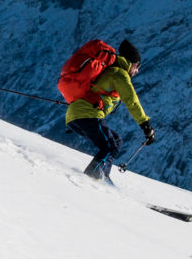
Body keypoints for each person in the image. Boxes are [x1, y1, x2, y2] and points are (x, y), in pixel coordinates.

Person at [65, 39, 155, 182]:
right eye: (137, 66)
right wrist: (145, 125)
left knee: (116, 141)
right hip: (86, 115)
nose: (137, 70)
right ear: (130, 62)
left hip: (77, 115)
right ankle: (94, 176)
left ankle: (102, 176)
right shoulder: (119, 74)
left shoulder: (110, 70)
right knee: (110, 145)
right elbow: (131, 101)